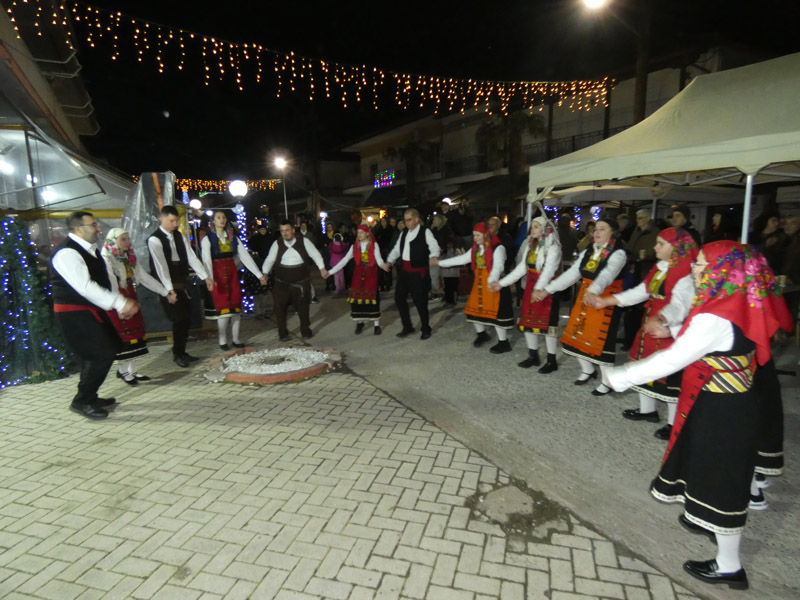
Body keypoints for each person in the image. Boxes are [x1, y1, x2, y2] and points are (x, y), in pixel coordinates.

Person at [603, 242, 792, 591]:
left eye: (702, 264)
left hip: (722, 408)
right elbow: (713, 340)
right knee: (712, 472)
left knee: (720, 482)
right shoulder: (741, 300)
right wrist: (673, 331)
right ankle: (706, 519)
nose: (694, 268)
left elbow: (675, 358)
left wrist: (620, 377)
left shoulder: (715, 314)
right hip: (733, 401)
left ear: (723, 271)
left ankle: (729, 566)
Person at [591, 228, 697, 439]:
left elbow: (680, 305)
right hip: (653, 323)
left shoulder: (686, 275)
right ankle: (647, 410)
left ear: (676, 247)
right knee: (642, 362)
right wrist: (609, 300)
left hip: (669, 329)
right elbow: (643, 291)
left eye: (661, 244)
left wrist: (662, 320)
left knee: (669, 374)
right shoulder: (660, 267)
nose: (655, 247)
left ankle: (673, 422)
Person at [51, 212, 139, 420]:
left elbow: (103, 282)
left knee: (106, 350)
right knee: (100, 354)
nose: (98, 228)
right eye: (93, 225)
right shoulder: (67, 253)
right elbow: (85, 286)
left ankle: (90, 397)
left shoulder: (90, 250)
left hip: (90, 310)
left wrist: (118, 304)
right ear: (78, 229)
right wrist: (119, 303)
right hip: (74, 313)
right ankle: (82, 400)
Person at [536, 219, 627, 394]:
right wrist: (547, 290)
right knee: (577, 334)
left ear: (613, 233)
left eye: (602, 229)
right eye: (596, 229)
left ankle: (607, 381)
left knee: (601, 340)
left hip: (605, 300)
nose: (596, 232)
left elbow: (607, 274)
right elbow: (572, 274)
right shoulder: (589, 251)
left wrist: (593, 291)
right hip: (585, 297)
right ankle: (588, 370)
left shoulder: (618, 254)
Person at [102, 228, 174, 385]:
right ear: (113, 241)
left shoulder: (129, 257)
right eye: (123, 239)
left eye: (128, 239)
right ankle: (124, 371)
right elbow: (111, 284)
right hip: (118, 300)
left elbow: (143, 277)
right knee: (124, 336)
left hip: (130, 297)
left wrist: (165, 292)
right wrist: (119, 305)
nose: (128, 242)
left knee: (137, 334)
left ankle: (132, 370)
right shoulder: (107, 259)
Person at [490, 216, 562, 372]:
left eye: (536, 227)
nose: (532, 230)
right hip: (531, 287)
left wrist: (539, 288)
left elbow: (549, 270)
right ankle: (533, 356)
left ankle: (551, 361)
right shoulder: (531, 245)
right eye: (532, 227)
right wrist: (501, 283)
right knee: (528, 322)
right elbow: (521, 269)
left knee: (549, 325)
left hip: (547, 290)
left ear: (544, 229)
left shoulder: (553, 247)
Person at [148, 205, 214, 368]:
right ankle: (177, 354)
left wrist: (205, 276)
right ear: (162, 219)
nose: (175, 224)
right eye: (172, 221)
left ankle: (182, 352)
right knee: (179, 319)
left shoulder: (178, 235)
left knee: (186, 318)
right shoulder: (154, 239)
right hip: (167, 284)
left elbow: (191, 257)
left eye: (176, 221)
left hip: (182, 281)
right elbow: (161, 267)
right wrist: (169, 290)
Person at [434, 222, 514, 352]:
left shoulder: (498, 248)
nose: (475, 238)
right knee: (474, 310)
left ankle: (504, 342)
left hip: (494, 284)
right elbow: (461, 259)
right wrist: (439, 263)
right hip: (479, 284)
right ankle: (482, 335)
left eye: (477, 235)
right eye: (474, 235)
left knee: (497, 314)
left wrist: (492, 280)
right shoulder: (476, 249)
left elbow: (498, 266)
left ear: (486, 234)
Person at [201, 210, 266, 350]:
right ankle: (222, 340)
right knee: (223, 310)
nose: (222, 220)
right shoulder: (208, 239)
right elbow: (206, 260)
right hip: (217, 276)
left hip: (232, 275)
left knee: (236, 308)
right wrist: (209, 278)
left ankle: (236, 339)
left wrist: (258, 274)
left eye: (224, 217)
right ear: (213, 221)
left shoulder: (232, 238)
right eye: (218, 217)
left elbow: (244, 256)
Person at [261, 219, 328, 341]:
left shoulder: (304, 241)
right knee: (280, 309)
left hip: (301, 282)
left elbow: (315, 255)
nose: (284, 233)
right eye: (282, 231)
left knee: (303, 308)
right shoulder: (277, 244)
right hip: (281, 283)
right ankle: (282, 332)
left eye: (287, 230)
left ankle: (305, 330)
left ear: (293, 230)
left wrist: (322, 268)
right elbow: (270, 259)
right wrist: (265, 273)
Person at [383, 208, 440, 340]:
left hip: (418, 273)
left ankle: (426, 328)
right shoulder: (404, 233)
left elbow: (434, 246)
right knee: (399, 298)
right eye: (405, 220)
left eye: (409, 220)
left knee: (420, 302)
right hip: (405, 272)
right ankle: (407, 326)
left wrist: (434, 255)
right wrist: (390, 261)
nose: (406, 223)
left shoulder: (425, 232)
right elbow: (397, 249)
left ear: (416, 219)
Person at [326, 224, 386, 335]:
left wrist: (384, 266)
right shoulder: (355, 246)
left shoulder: (374, 245)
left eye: (361, 232)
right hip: (358, 275)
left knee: (372, 299)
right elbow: (344, 261)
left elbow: (379, 260)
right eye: (358, 232)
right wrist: (330, 272)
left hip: (371, 275)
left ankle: (376, 325)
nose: (359, 234)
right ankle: (360, 322)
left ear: (367, 233)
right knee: (358, 299)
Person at [621, 209, 660, 349]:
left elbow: (655, 252)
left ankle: (636, 340)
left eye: (641, 218)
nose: (638, 220)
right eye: (637, 218)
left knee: (640, 308)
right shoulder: (636, 231)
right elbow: (630, 248)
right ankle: (628, 340)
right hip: (634, 270)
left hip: (646, 271)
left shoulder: (655, 233)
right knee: (631, 308)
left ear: (648, 219)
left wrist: (646, 255)